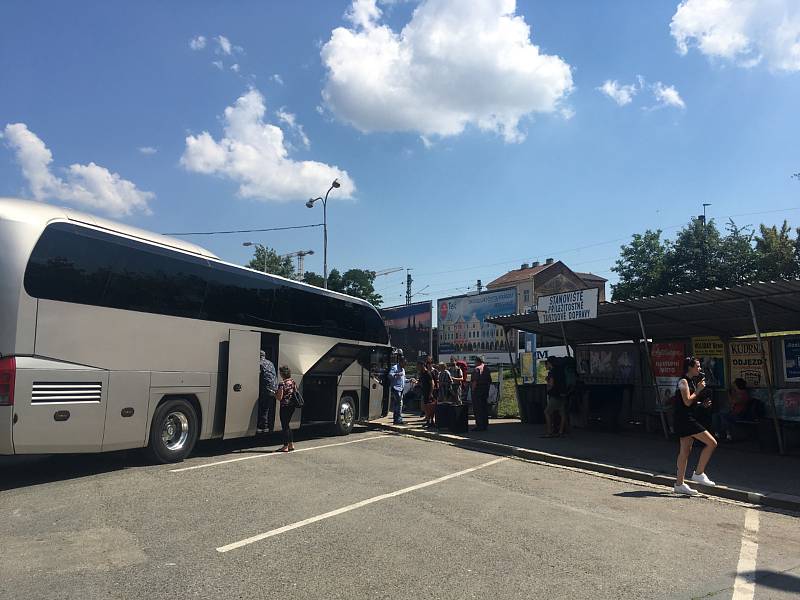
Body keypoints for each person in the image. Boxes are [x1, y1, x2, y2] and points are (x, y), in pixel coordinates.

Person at [674, 356, 718, 496]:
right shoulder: (683, 382)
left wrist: (701, 404)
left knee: (685, 452)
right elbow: (686, 402)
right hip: (686, 420)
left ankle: (679, 484)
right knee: (712, 443)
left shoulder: (691, 382)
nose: (699, 368)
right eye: (697, 366)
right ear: (690, 368)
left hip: (686, 418)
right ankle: (698, 473)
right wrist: (698, 390)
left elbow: (689, 403)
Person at [275, 365, 298, 452]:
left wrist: (274, 394)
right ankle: (291, 444)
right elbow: (295, 391)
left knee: (285, 426)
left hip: (284, 406)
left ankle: (285, 446)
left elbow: (279, 397)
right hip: (292, 406)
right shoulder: (292, 381)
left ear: (282, 373)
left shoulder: (282, 383)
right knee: (287, 425)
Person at [543, 357, 567, 438]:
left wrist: (547, 383)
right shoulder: (561, 371)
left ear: (550, 363)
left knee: (547, 412)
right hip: (562, 394)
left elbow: (552, 384)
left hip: (555, 395)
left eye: (547, 363)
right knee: (562, 413)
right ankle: (561, 431)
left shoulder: (552, 372)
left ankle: (549, 432)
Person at [257, 349, 278, 432]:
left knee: (262, 408)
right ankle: (265, 425)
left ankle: (263, 426)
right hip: (273, 389)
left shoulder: (259, 363)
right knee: (266, 408)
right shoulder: (270, 363)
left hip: (265, 389)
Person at [471, 356, 492, 431]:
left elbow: (475, 381)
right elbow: (490, 381)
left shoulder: (477, 369)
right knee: (484, 407)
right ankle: (485, 424)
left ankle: (479, 425)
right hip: (485, 389)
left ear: (477, 361)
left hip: (478, 390)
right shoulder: (487, 369)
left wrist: (473, 391)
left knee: (477, 408)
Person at [389, 357, 406, 425]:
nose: (405, 365)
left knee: (398, 404)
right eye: (404, 363)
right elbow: (390, 375)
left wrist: (409, 380)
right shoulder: (395, 367)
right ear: (400, 362)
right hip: (396, 388)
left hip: (401, 388)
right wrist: (397, 374)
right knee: (399, 403)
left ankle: (396, 419)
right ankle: (398, 419)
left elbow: (403, 379)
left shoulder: (403, 369)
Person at [418, 361, 436, 428]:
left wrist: (431, 393)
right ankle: (428, 421)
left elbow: (432, 383)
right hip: (424, 392)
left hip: (429, 392)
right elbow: (420, 383)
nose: (418, 368)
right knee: (426, 408)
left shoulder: (428, 373)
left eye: (419, 366)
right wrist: (416, 382)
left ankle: (432, 421)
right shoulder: (421, 374)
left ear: (423, 365)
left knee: (431, 407)